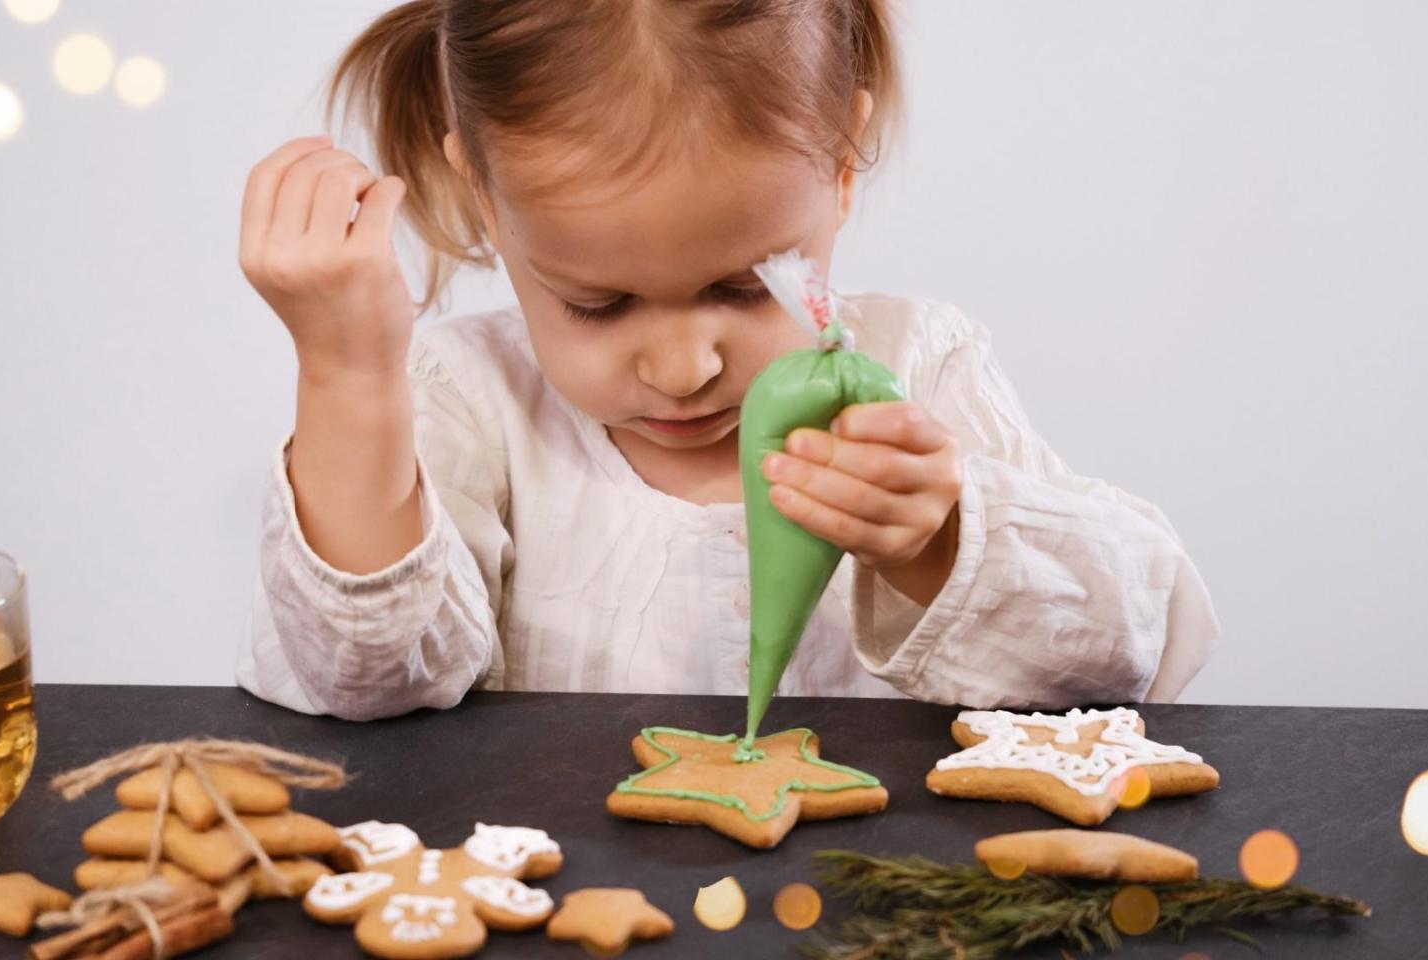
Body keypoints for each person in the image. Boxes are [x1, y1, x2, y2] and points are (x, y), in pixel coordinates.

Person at [235, 0, 1216, 721]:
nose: (680, 366)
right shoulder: (468, 400)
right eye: (598, 303)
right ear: (486, 201)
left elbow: (1135, 649)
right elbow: (367, 680)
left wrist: (942, 538)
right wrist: (348, 379)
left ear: (839, 168)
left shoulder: (917, 367)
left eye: (742, 288)